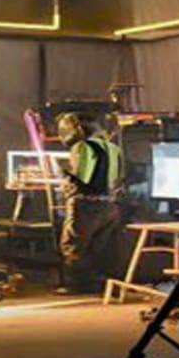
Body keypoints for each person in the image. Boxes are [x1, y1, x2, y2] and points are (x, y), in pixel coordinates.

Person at [56, 113, 124, 294]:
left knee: (74, 246)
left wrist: (62, 173)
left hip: (85, 205)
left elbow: (82, 178)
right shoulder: (112, 148)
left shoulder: (82, 147)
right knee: (98, 248)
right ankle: (98, 285)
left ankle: (77, 286)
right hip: (109, 206)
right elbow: (116, 178)